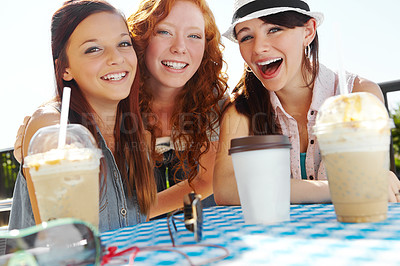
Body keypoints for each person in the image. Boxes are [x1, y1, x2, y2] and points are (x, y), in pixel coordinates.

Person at [213, 0, 400, 205]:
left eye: (274, 29)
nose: (258, 48)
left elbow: (371, 182)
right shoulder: (242, 108)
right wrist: (336, 188)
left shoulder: (361, 95)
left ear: (308, 32)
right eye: (246, 37)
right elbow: (226, 188)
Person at [9, 0, 157, 232]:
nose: (116, 57)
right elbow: (66, 243)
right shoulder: (51, 126)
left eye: (123, 43)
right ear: (64, 69)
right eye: (93, 49)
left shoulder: (133, 133)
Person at [127, 0, 228, 218]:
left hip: (199, 222)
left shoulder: (213, 97)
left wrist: (133, 213)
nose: (180, 47)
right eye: (164, 31)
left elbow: (206, 180)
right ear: (142, 38)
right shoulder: (120, 93)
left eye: (194, 36)